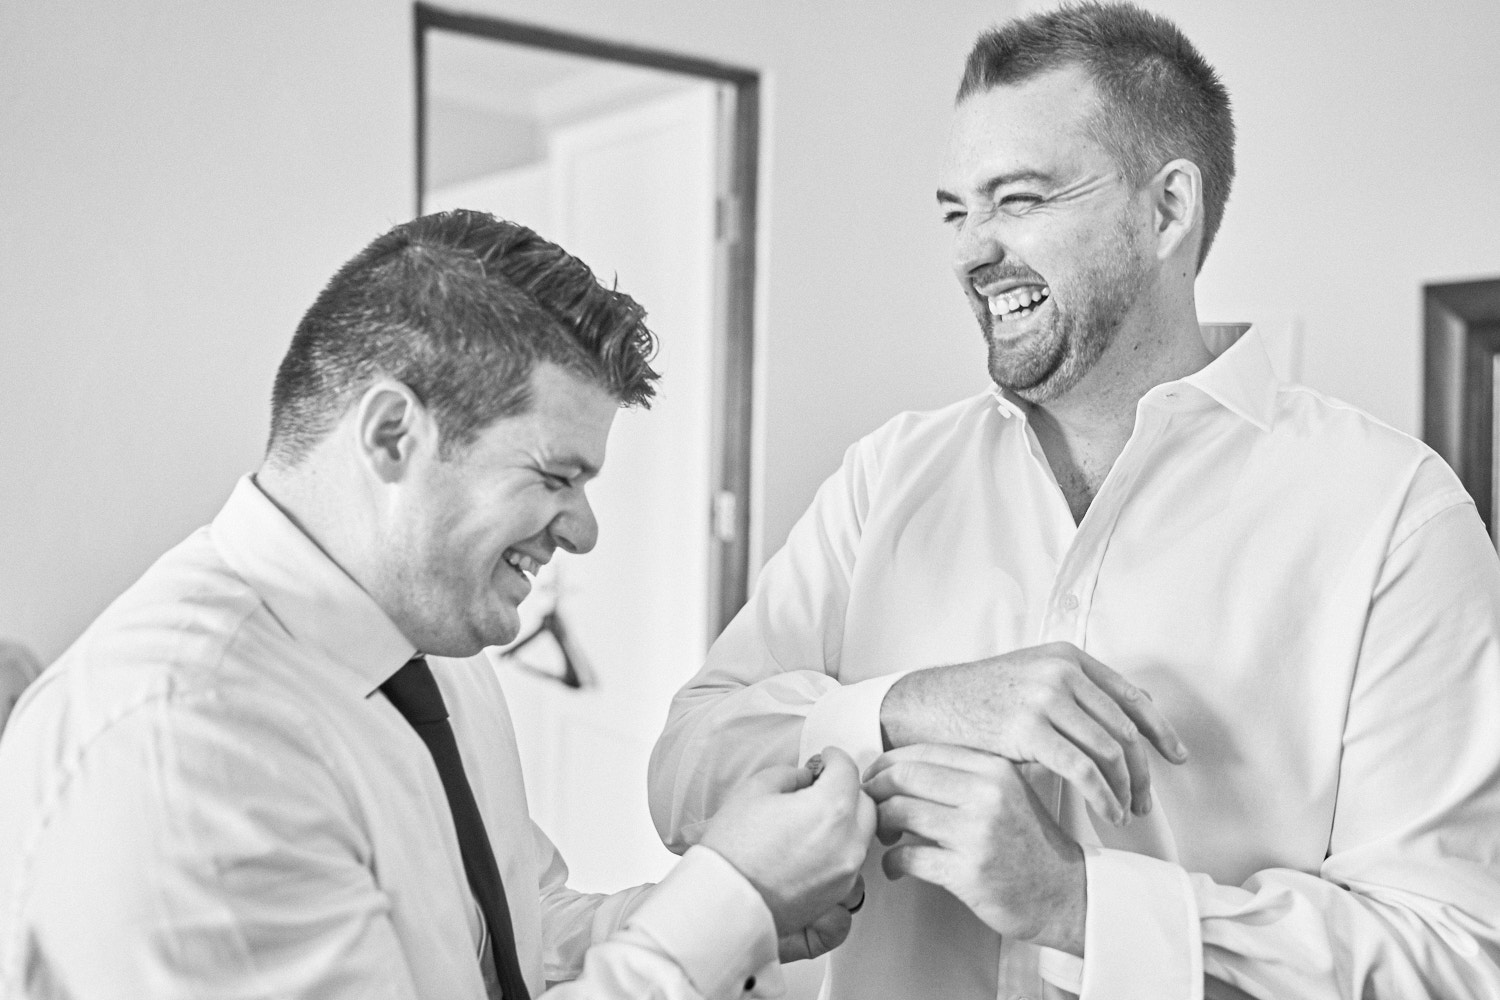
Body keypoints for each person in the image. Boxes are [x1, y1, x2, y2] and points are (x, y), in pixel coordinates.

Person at [648, 4, 1500, 999]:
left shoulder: (1392, 513)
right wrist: (907, 707)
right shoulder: (889, 474)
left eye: (1018, 198)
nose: (971, 251)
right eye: (955, 211)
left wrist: (1081, 905)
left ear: (1167, 209)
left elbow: (1457, 953)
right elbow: (684, 775)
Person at [0, 211, 875, 1000]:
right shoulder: (190, 743)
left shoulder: (437, 659)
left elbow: (511, 940)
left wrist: (737, 913)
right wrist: (729, 900)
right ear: (392, 434)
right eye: (555, 476)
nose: (583, 531)